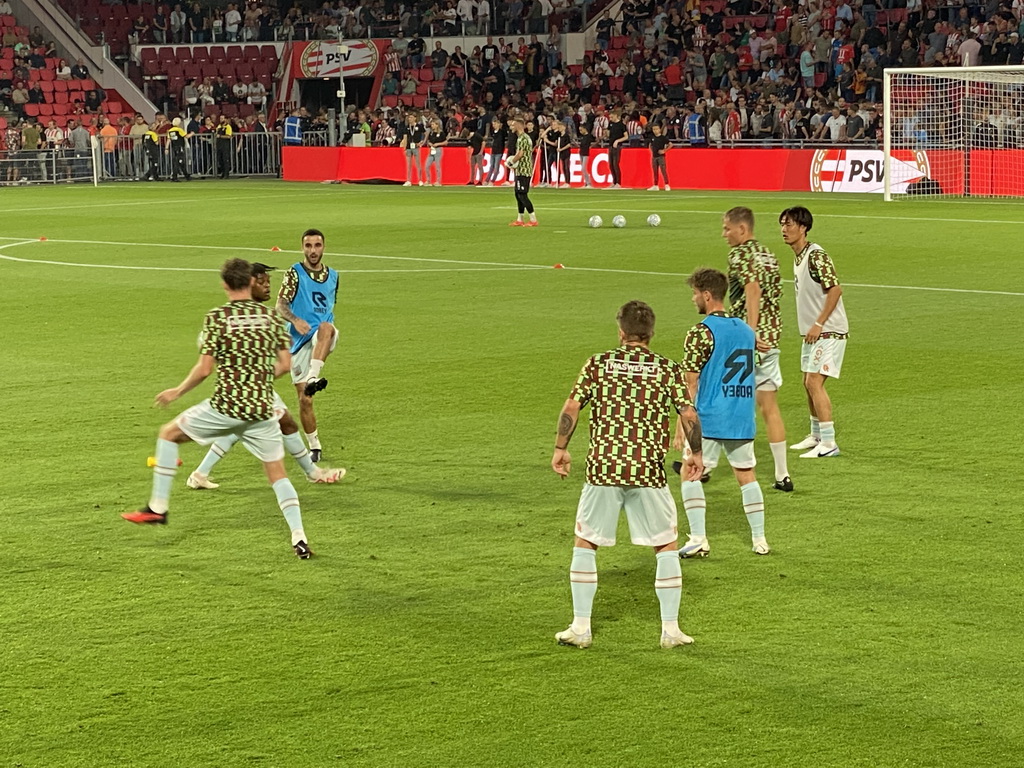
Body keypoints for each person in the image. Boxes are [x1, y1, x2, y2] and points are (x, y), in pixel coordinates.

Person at [123, 258, 314, 560]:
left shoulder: (218, 317)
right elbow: (285, 365)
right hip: (262, 410)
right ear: (251, 283)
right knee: (278, 475)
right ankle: (299, 537)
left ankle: (158, 508)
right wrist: (260, 375)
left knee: (168, 433)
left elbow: (203, 369)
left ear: (225, 284)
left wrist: (177, 391)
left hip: (225, 407)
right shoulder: (273, 319)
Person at [552, 300, 703, 650]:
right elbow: (688, 413)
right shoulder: (666, 368)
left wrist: (561, 448)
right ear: (650, 334)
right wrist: (695, 453)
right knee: (665, 544)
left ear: (620, 332)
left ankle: (580, 628)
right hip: (648, 469)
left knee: (586, 541)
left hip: (604, 466)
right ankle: (670, 631)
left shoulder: (599, 364)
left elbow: (572, 406)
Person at [188, 263, 346, 489]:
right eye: (262, 282)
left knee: (246, 425)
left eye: (267, 281)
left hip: (250, 386)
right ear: (249, 283)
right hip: (247, 387)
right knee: (282, 424)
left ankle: (200, 474)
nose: (267, 286)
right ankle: (313, 473)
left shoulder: (252, 313)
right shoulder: (247, 314)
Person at [676, 268, 771, 559]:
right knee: (746, 475)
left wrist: (682, 423)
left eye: (695, 293)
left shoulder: (700, 332)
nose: (693, 299)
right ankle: (760, 539)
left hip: (711, 416)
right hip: (742, 415)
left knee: (690, 471)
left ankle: (698, 538)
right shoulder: (745, 329)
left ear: (706, 295)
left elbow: (690, 381)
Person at [721, 207, 791, 491]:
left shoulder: (739, 254)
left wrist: (749, 333)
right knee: (769, 408)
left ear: (742, 229)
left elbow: (752, 289)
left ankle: (704, 465)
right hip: (772, 337)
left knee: (727, 401)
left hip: (747, 341)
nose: (724, 234)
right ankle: (782, 475)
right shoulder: (768, 253)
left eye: (727, 228)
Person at [779, 207, 848, 459]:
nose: (784, 230)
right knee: (806, 383)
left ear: (804, 228)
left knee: (813, 381)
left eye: (789, 225)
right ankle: (816, 435)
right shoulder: (799, 257)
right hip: (813, 333)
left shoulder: (816, 256)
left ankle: (829, 443)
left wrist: (819, 323)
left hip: (829, 330)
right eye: (782, 225)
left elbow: (835, 290)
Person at [275, 229, 339, 463]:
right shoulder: (294, 273)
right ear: (302, 248)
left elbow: (329, 307)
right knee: (305, 399)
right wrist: (295, 320)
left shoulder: (334, 275)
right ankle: (314, 445)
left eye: (317, 245)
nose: (313, 250)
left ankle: (313, 376)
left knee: (326, 327)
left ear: (324, 247)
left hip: (321, 337)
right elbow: (280, 305)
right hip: (299, 340)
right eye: (308, 246)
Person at [506, 116, 537, 227]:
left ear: (519, 125)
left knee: (522, 195)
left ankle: (533, 220)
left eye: (513, 125)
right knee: (518, 194)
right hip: (520, 170)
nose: (511, 127)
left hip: (524, 170)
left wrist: (510, 162)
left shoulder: (523, 138)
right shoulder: (521, 138)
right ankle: (520, 219)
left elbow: (520, 154)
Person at [399, 112, 425, 187]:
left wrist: (422, 142)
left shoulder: (419, 126)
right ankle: (408, 180)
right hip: (409, 147)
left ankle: (420, 180)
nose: (409, 119)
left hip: (416, 147)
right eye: (409, 117)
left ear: (415, 118)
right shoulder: (407, 127)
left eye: (411, 117)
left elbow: (425, 133)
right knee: (408, 165)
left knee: (418, 164)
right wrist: (404, 148)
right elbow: (405, 137)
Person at [423, 118, 447, 186]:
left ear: (437, 125)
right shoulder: (431, 133)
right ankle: (428, 180)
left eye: (433, 124)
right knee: (427, 165)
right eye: (431, 124)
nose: (432, 126)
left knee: (437, 166)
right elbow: (429, 141)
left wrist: (438, 144)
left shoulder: (441, 133)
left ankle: (438, 181)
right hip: (432, 149)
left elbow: (445, 142)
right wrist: (429, 143)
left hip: (438, 149)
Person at [167, 116, 191, 181]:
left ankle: (187, 175)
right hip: (180, 147)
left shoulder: (170, 130)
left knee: (181, 162)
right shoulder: (179, 130)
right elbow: (186, 136)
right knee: (178, 161)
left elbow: (169, 139)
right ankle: (174, 176)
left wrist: (166, 148)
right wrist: (192, 133)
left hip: (174, 147)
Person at [648, 122, 670, 192]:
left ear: (659, 129)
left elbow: (670, 144)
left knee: (663, 170)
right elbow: (650, 145)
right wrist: (651, 150)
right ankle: (655, 185)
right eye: (654, 129)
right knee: (655, 171)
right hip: (654, 156)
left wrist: (664, 150)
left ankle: (666, 184)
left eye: (656, 129)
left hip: (661, 157)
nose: (655, 131)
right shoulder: (652, 138)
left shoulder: (663, 138)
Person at [607, 110, 626, 188]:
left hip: (617, 146)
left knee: (615, 164)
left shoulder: (621, 125)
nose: (610, 118)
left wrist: (617, 141)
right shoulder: (610, 124)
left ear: (616, 115)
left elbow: (626, 136)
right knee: (611, 164)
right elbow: (609, 134)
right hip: (610, 145)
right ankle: (614, 181)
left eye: (612, 117)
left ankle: (618, 182)